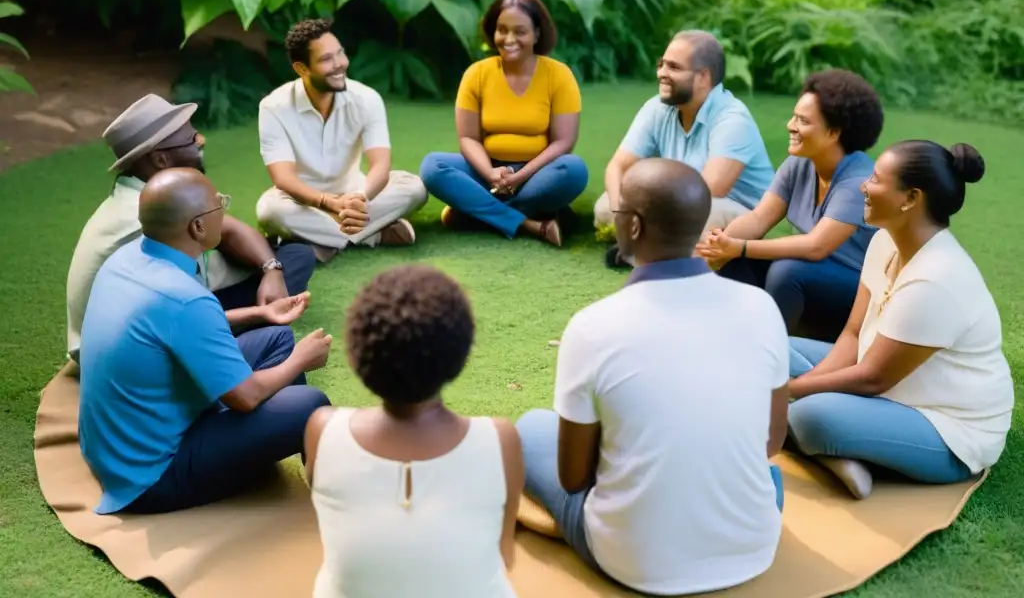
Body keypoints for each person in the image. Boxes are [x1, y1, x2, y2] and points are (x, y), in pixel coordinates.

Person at [516, 158, 790, 595]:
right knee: (765, 476)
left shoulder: (593, 327)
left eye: (620, 211)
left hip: (635, 561)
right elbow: (773, 443)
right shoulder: (761, 307)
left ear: (635, 227)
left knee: (530, 428)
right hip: (753, 545)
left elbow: (574, 479)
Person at [78, 168, 334, 515]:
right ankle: (333, 496)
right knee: (309, 403)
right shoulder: (183, 296)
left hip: (118, 449)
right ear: (197, 227)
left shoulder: (126, 261)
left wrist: (262, 313)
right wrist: (300, 360)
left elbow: (178, 328)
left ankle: (259, 447)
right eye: (219, 206)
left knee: (276, 338)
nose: (225, 212)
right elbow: (244, 398)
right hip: (154, 476)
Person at [786, 141, 1014, 500]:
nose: (863, 185)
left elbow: (872, 377)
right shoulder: (883, 243)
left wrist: (789, 392)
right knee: (771, 350)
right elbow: (852, 334)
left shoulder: (936, 279)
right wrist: (806, 383)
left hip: (946, 428)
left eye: (876, 178)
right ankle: (841, 452)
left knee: (809, 417)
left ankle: (835, 441)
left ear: (910, 198)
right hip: (886, 384)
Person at [304, 264, 523, 598]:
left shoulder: (322, 430)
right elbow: (502, 555)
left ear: (356, 353)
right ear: (460, 353)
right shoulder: (499, 440)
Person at [66, 94, 316, 363]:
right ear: (161, 159)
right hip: (129, 349)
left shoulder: (158, 192)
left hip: (165, 310)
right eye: (191, 139)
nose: (201, 141)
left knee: (295, 256)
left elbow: (228, 228)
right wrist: (261, 314)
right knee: (277, 334)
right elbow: (178, 318)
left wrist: (271, 270)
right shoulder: (146, 219)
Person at [696, 70, 884, 342]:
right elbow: (759, 218)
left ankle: (768, 353)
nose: (790, 125)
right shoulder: (801, 162)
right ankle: (727, 338)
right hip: (813, 276)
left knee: (788, 270)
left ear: (833, 133)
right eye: (794, 116)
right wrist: (720, 244)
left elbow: (816, 247)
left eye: (803, 121)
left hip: (859, 292)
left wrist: (740, 247)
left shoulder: (858, 181)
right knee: (737, 258)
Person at [418, 0, 588, 248]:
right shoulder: (477, 74)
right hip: (487, 172)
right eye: (502, 30)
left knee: (574, 170)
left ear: (537, 34)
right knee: (432, 166)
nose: (509, 39)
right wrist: (490, 173)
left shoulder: (559, 75)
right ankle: (530, 222)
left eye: (520, 31)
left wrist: (519, 177)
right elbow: (467, 138)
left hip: (536, 174)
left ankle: (471, 214)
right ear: (492, 31)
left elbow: (563, 142)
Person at [256, 18, 428, 263]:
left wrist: (361, 199)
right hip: (303, 201)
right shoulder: (273, 107)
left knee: (415, 187)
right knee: (269, 210)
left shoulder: (367, 98)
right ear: (302, 69)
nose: (340, 65)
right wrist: (327, 203)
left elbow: (380, 164)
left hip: (357, 194)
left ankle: (320, 240)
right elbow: (283, 178)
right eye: (326, 59)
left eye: (340, 53)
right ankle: (375, 235)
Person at [597, 30, 775, 266]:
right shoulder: (657, 108)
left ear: (703, 77)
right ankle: (655, 251)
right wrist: (621, 213)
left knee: (697, 218)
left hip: (731, 210)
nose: (661, 73)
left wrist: (643, 211)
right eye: (661, 64)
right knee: (605, 208)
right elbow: (617, 166)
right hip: (678, 200)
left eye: (674, 67)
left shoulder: (732, 119)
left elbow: (709, 190)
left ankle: (641, 253)